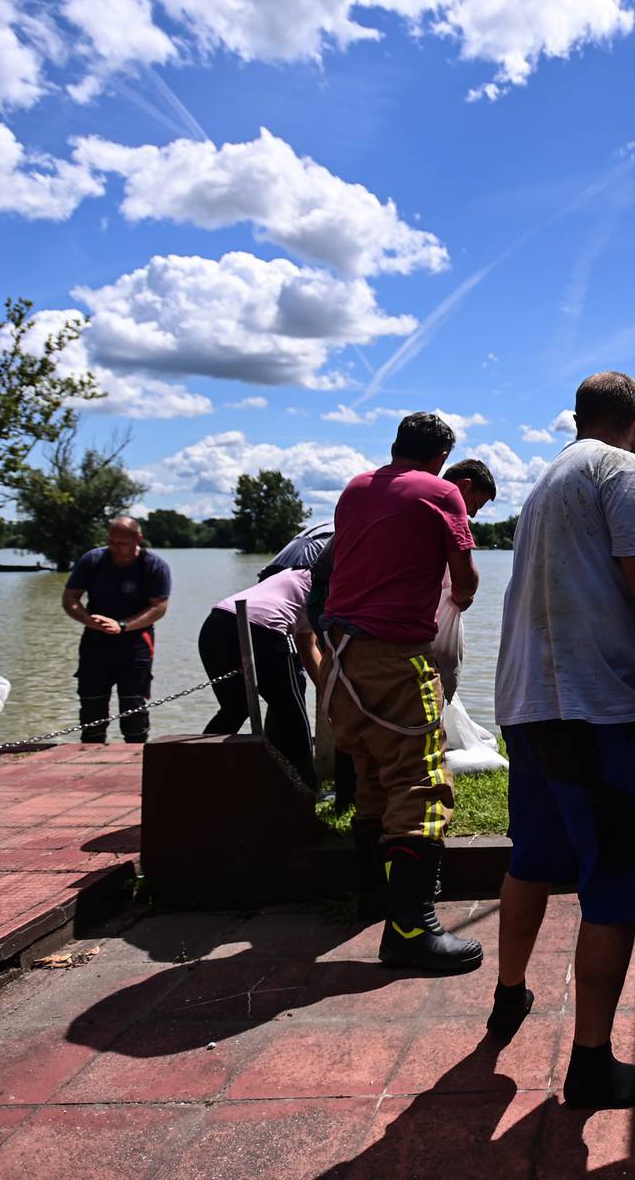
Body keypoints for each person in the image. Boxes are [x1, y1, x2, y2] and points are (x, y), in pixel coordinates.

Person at [488, 371, 635, 1111]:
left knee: (532, 857)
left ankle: (508, 996)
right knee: (614, 886)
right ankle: (590, 1063)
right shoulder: (619, 470)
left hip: (528, 705)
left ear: (578, 417)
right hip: (593, 716)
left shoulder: (548, 479)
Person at [322, 413, 482, 973]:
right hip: (395, 657)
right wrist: (459, 593)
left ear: (395, 447)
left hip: (342, 656)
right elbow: (464, 581)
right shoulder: (441, 493)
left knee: (372, 777)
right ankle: (412, 930)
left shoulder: (355, 488)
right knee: (421, 784)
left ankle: (373, 899)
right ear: (441, 457)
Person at [199, 567, 326, 789]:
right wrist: (332, 694)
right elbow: (310, 647)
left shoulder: (294, 574)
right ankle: (308, 787)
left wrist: (327, 691)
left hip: (216, 623)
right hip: (263, 628)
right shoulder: (327, 582)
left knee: (234, 708)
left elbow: (306, 645)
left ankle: (192, 772)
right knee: (291, 711)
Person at [61, 517, 172, 744]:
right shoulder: (93, 560)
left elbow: (159, 607)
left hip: (135, 642)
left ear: (138, 539)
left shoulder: (154, 565)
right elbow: (70, 598)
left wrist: (122, 626)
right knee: (92, 710)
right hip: (95, 639)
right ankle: (90, 759)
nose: (116, 548)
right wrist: (88, 620)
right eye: (112, 542)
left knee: (134, 710)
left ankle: (136, 762)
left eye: (122, 543)